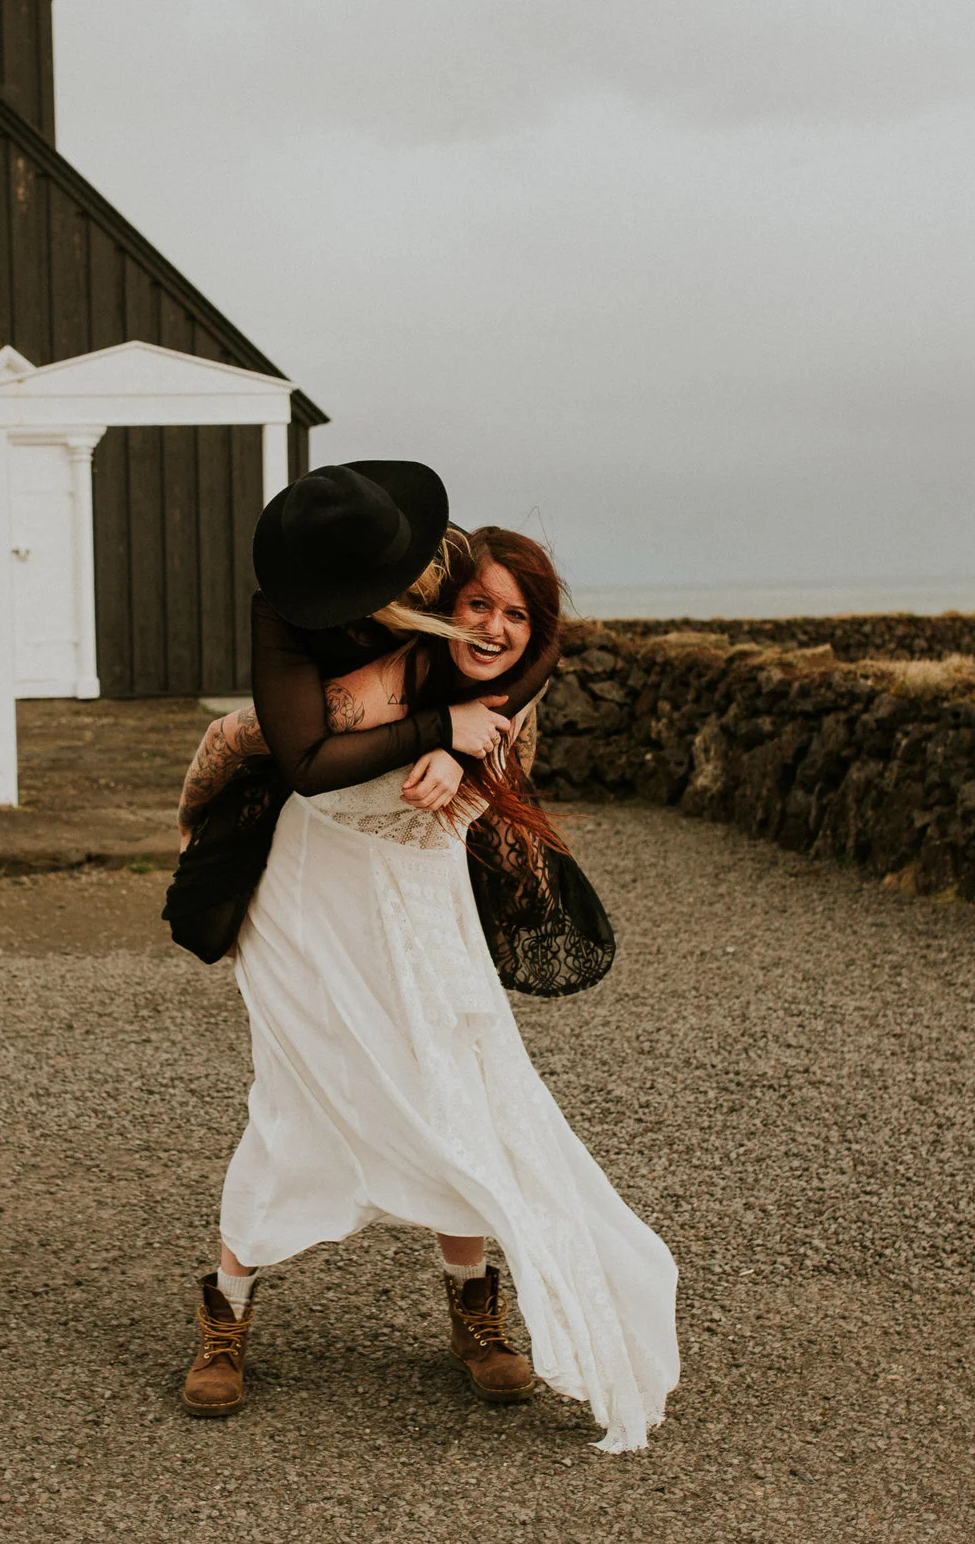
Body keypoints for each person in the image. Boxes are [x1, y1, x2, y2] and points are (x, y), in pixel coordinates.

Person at [176, 464, 679, 1453]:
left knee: (458, 1087)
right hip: (310, 887)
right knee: (295, 1094)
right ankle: (225, 1311)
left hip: (421, 887)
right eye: (478, 608)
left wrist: (471, 745)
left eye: (509, 612)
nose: (490, 623)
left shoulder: (455, 579)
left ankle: (472, 1302)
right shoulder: (291, 620)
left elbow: (529, 640)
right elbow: (299, 760)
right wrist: (441, 729)